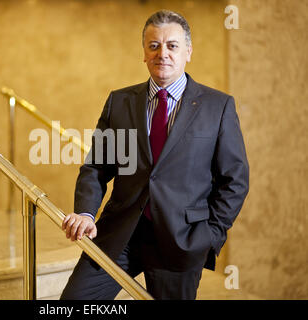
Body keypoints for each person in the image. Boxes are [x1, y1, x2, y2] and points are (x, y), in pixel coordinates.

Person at [60, 10, 249, 300]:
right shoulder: (119, 101)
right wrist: (86, 211)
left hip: (181, 240)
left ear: (188, 52)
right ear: (144, 53)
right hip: (120, 235)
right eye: (154, 45)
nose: (163, 53)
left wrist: (210, 234)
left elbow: (234, 180)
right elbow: (96, 167)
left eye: (172, 45)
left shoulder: (218, 106)